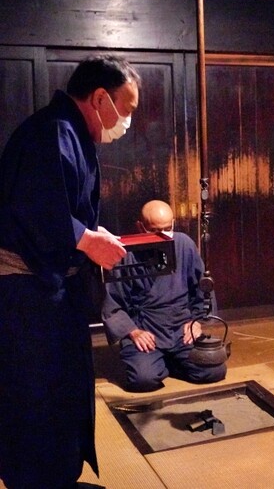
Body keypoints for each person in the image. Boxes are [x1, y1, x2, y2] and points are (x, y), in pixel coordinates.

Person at [0, 55, 139, 489]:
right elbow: (34, 210)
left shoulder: (68, 132)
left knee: (62, 390)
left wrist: (89, 235)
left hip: (48, 289)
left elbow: (61, 211)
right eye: (126, 109)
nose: (126, 122)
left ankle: (58, 477)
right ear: (101, 98)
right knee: (39, 395)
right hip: (29, 292)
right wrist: (85, 239)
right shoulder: (53, 132)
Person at [102, 200, 226, 392]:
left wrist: (196, 322)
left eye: (167, 229)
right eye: (154, 230)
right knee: (143, 380)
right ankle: (155, 363)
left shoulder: (184, 244)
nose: (161, 236)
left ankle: (170, 363)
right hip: (146, 330)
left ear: (174, 224)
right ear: (140, 227)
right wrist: (134, 332)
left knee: (214, 370)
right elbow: (113, 304)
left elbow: (202, 289)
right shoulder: (125, 253)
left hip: (180, 328)